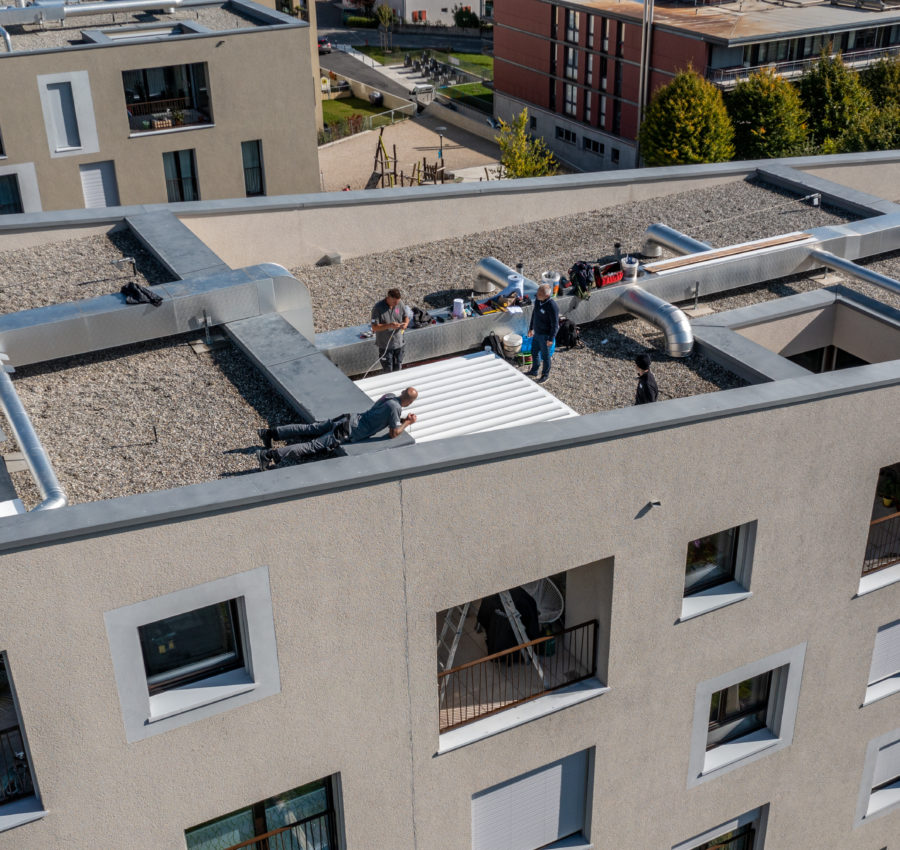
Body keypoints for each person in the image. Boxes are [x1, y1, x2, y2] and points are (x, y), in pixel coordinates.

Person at [257, 387, 419, 470]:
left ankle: (269, 433)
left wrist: (401, 420)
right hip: (349, 429)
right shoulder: (395, 409)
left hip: (347, 417)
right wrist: (407, 423)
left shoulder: (390, 396)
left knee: (310, 428)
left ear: (402, 391)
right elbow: (393, 433)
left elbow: (383, 415)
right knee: (312, 445)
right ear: (410, 403)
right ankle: (268, 455)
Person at [526, 282, 559, 383]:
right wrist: (531, 328)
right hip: (537, 333)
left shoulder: (552, 306)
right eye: (537, 294)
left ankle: (545, 375)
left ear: (547, 295)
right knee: (534, 352)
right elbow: (534, 314)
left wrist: (551, 339)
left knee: (545, 356)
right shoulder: (537, 300)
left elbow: (555, 325)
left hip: (546, 336)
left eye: (540, 295)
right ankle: (534, 370)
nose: (537, 296)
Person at [371, 288, 409, 373]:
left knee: (398, 369)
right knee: (388, 371)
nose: (396, 304)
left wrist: (405, 324)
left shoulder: (400, 303)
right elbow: (374, 327)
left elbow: (406, 316)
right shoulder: (378, 308)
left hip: (399, 344)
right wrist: (389, 325)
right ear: (388, 298)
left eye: (397, 302)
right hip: (385, 346)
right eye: (394, 302)